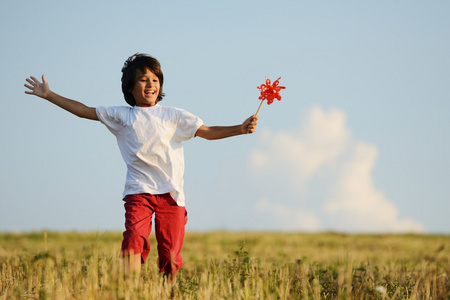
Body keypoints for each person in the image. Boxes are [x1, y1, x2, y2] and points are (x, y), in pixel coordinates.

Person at [24, 53, 258, 286]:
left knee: (170, 253)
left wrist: (239, 128)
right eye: (143, 79)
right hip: (139, 192)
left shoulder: (173, 115)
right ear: (130, 87)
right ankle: (129, 290)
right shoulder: (122, 116)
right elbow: (83, 110)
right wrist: (49, 95)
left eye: (155, 79)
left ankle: (169, 290)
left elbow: (207, 131)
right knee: (134, 239)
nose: (151, 84)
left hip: (172, 194)